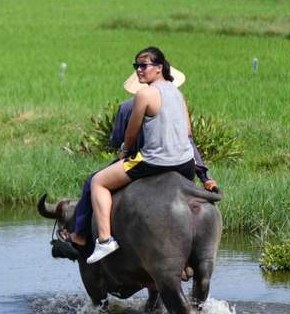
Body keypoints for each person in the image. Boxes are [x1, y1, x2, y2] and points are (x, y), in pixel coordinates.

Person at [84, 46, 203, 264]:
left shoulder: (144, 94)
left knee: (98, 181)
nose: (139, 70)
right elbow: (188, 132)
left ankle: (104, 239)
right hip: (186, 164)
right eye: (136, 66)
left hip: (155, 161)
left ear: (158, 68)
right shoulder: (177, 93)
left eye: (143, 65)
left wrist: (126, 152)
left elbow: (131, 131)